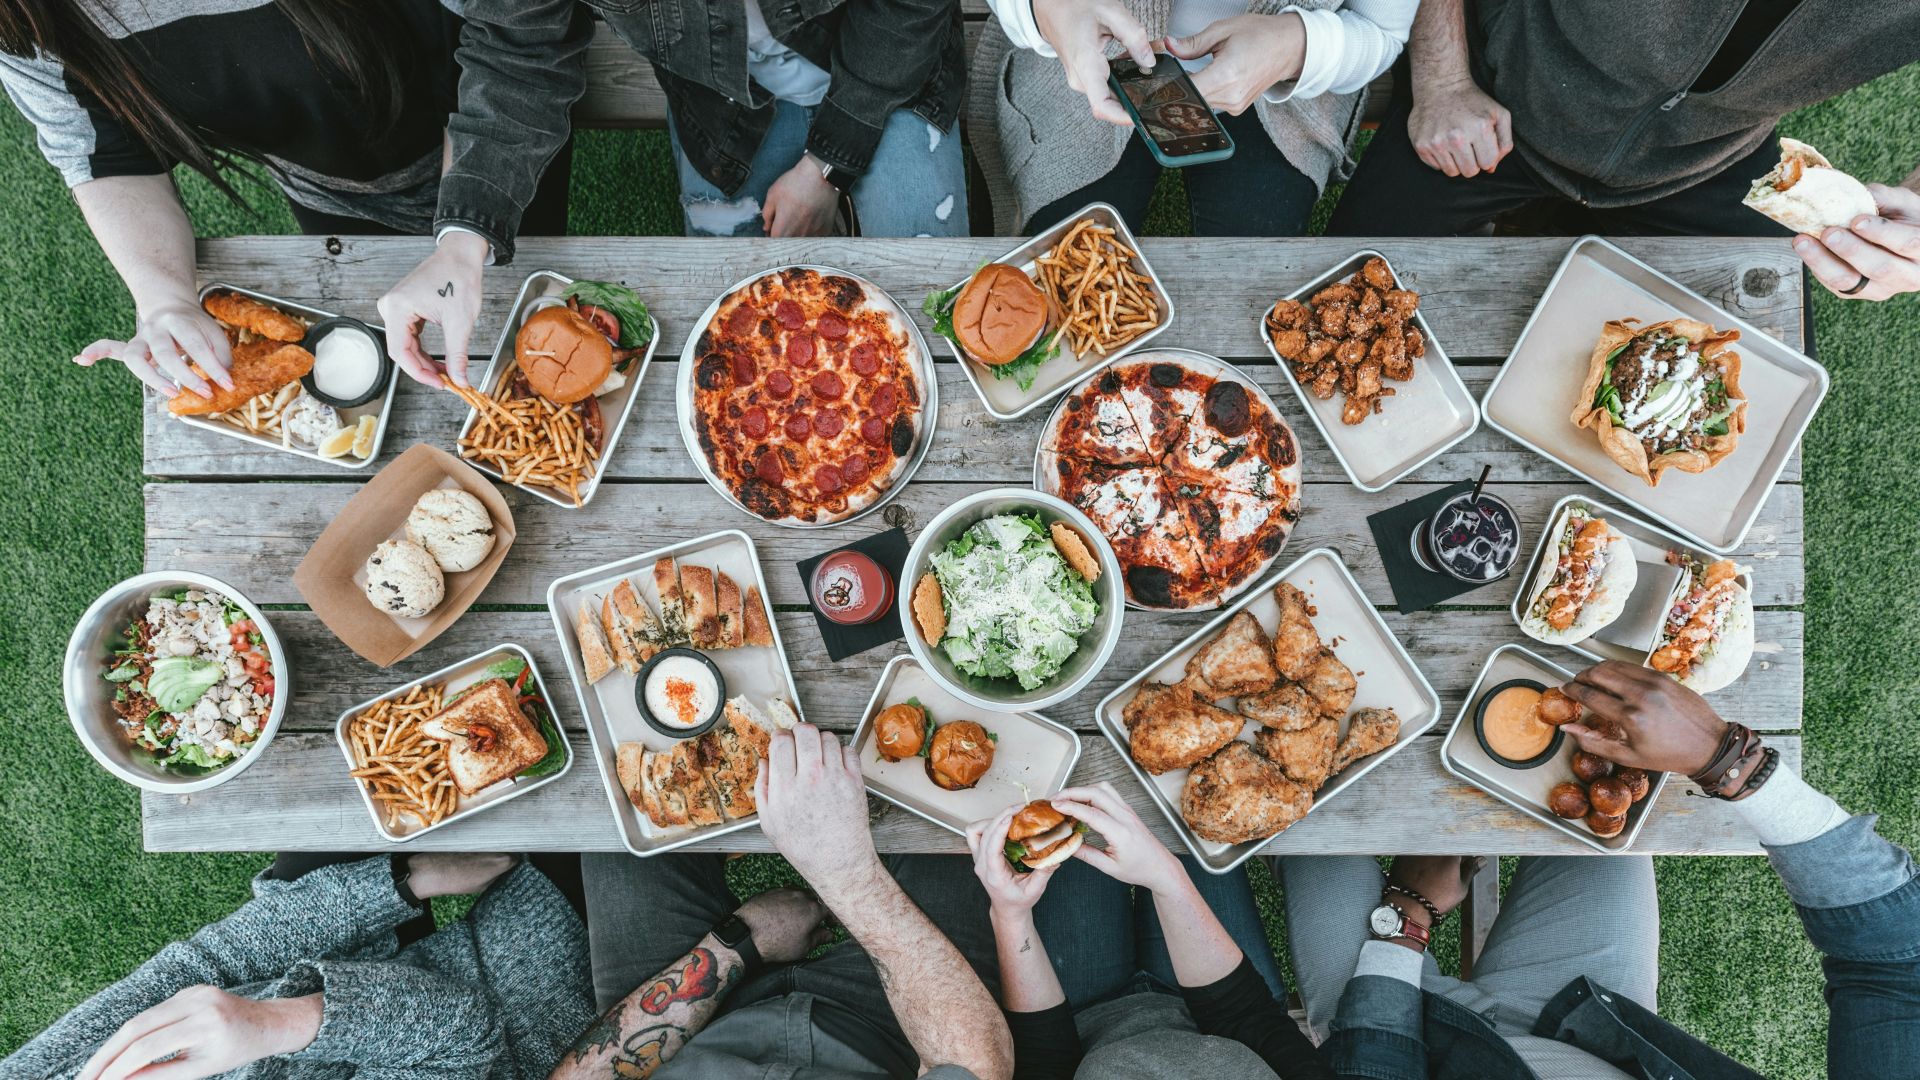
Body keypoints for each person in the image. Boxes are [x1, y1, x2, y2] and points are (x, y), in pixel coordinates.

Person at [1278, 661, 1920, 1079]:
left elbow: (1372, 1063)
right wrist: (1726, 762)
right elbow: (1895, 967)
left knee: (1296, 804)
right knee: (1606, 825)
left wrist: (1409, 918)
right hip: (1584, 1030)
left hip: (1401, 1037)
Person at [379, 0, 970, 390]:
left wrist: (826, 167)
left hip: (887, 72)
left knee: (941, 319)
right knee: (739, 354)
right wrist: (460, 245)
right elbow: (518, 48)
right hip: (725, 105)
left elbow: (908, 8)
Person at [0, 0, 572, 402]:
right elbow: (105, 151)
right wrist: (163, 298)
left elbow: (518, 41)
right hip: (323, 185)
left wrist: (466, 233)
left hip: (492, 139)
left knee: (523, 313)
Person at [1325, 0, 1920, 302]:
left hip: (1712, 151)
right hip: (1503, 84)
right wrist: (1442, 78)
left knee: (1748, 400)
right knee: (1335, 294)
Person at [553, 722, 1013, 1080]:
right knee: (962, 814)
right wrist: (847, 875)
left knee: (616, 794)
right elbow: (975, 1068)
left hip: (679, 1034)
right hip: (897, 1034)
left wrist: (734, 946)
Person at [0, 852, 593, 1079]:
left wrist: (405, 883)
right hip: (522, 997)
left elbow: (214, 960)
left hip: (347, 956)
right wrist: (272, 1024)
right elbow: (462, 1035)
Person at [965, 783, 1331, 1079]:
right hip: (1228, 1010)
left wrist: (1011, 916)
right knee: (1192, 798)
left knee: (1050, 786)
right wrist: (1165, 877)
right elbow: (1248, 1018)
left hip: (1079, 1017)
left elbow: (1045, 1061)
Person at [969, 0, 1415, 236]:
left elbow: (1380, 28)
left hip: (1287, 88)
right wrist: (1048, 10)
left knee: (1252, 271)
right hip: (1082, 57)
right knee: (1068, 262)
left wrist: (1296, 46)